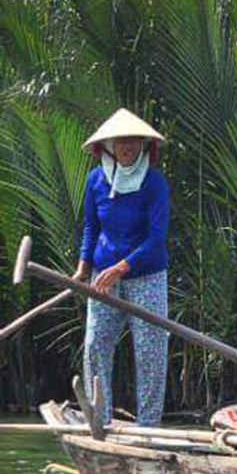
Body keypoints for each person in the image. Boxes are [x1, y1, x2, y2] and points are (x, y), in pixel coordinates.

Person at [75, 109, 171, 427]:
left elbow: (156, 238)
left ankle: (149, 429)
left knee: (150, 354)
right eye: (120, 141)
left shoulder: (154, 183)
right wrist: (82, 268)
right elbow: (91, 227)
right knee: (95, 346)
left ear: (143, 145)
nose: (126, 146)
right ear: (109, 145)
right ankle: (98, 420)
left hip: (147, 276)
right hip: (102, 277)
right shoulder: (96, 180)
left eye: (132, 141)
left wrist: (122, 267)